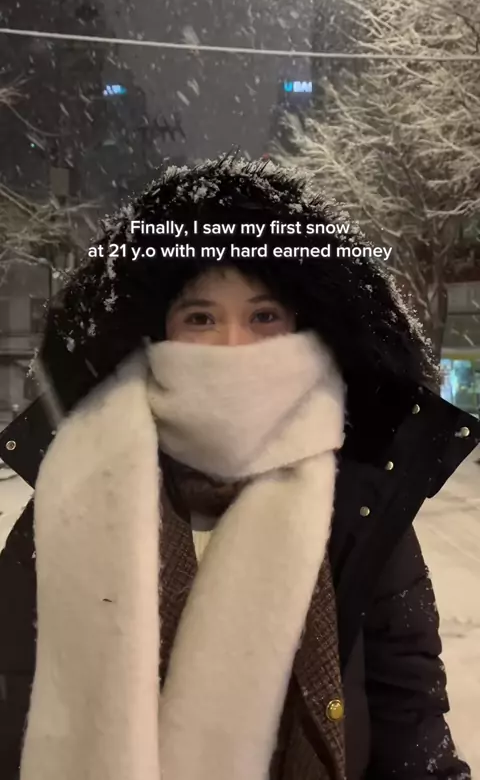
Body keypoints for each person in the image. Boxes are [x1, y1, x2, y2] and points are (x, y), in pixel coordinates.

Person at [0, 156, 478, 780]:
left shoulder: (360, 504)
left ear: (304, 327)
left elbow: (411, 726)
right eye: (200, 318)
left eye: (263, 317)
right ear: (156, 331)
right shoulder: (73, 493)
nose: (234, 347)